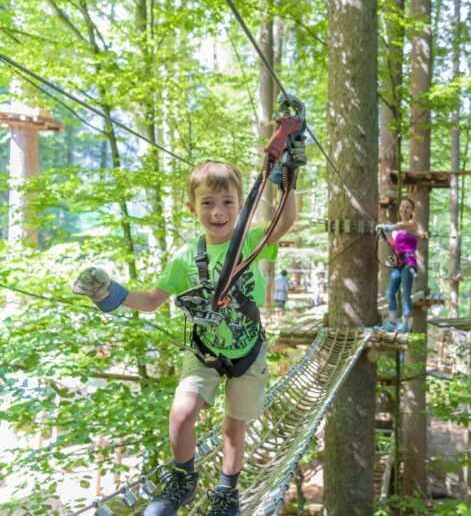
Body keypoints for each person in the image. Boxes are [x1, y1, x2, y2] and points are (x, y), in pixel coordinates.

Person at [72, 141, 305, 516]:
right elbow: (151, 300)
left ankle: (226, 491)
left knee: (233, 428)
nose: (218, 211)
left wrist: (288, 179)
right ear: (192, 208)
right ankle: (183, 478)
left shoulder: (250, 242)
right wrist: (109, 293)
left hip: (248, 351)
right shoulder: (185, 258)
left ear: (240, 205)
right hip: (205, 352)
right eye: (208, 203)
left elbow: (285, 221)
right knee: (181, 413)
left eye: (228, 202)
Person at [376, 197, 424, 333]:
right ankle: (392, 321)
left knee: (406, 293)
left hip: (409, 262)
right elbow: (394, 244)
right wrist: (385, 235)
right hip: (398, 262)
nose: (404, 209)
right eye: (402, 206)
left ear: (412, 211)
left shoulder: (412, 224)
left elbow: (401, 227)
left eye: (407, 207)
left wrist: (388, 227)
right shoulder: (396, 226)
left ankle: (405, 321)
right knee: (390, 292)